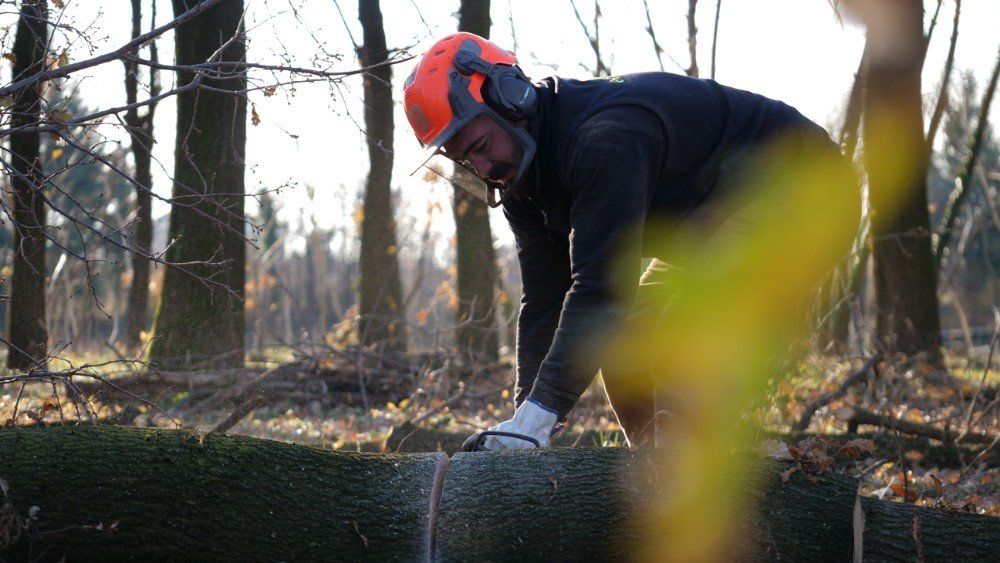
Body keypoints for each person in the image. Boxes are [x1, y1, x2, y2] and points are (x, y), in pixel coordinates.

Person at [402, 32, 858, 450]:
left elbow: (602, 292)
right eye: (464, 159)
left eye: (480, 145)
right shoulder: (522, 177)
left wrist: (540, 419)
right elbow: (545, 300)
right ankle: (654, 465)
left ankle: (700, 474)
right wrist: (524, 423)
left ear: (510, 99)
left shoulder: (606, 137)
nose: (481, 167)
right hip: (714, 225)